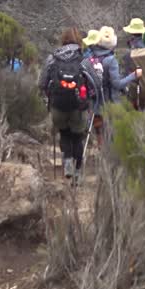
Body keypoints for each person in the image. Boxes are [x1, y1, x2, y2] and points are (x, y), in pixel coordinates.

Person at [39, 28, 97, 182]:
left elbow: (42, 82)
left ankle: (67, 162)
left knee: (64, 133)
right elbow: (94, 82)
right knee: (77, 138)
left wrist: (48, 97)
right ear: (78, 40)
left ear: (62, 40)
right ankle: (77, 173)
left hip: (58, 104)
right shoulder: (83, 58)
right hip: (78, 105)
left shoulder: (52, 58)